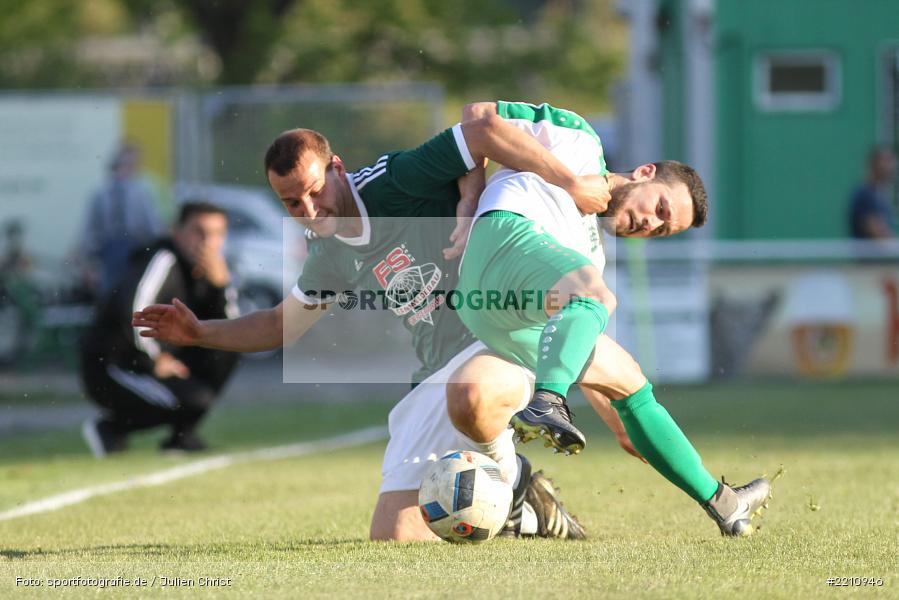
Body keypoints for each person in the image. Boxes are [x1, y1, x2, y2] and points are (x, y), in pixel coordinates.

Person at [133, 110, 615, 541]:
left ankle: (513, 486)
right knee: (396, 536)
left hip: (495, 339)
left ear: (337, 167)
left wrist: (565, 185)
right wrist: (200, 332)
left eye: (315, 190)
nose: (309, 210)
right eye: (292, 203)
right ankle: (526, 505)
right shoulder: (329, 255)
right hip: (436, 370)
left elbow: (484, 130)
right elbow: (283, 325)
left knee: (473, 396)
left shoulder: (395, 180)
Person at [451, 101, 770, 537]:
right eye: (659, 208)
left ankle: (722, 503)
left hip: (503, 318)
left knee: (631, 385)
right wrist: (478, 194)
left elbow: (572, 341)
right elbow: (478, 117)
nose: (650, 224)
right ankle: (546, 403)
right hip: (504, 241)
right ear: (643, 172)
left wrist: (619, 423)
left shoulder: (590, 256)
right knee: (596, 296)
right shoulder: (578, 138)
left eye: (661, 230)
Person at [80, 202, 240, 456]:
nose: (208, 242)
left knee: (227, 354)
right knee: (192, 400)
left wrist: (221, 288)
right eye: (199, 232)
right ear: (177, 232)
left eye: (217, 234)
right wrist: (153, 360)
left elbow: (231, 332)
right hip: (113, 365)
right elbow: (133, 312)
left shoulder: (213, 273)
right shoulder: (163, 259)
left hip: (157, 363)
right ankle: (111, 428)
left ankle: (181, 437)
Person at [78, 142, 164, 297]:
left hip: (134, 246)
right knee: (109, 288)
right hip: (109, 248)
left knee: (132, 288)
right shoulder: (101, 194)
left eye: (129, 165)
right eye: (121, 165)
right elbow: (91, 227)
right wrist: (86, 257)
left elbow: (152, 224)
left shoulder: (141, 193)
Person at [848, 146, 897, 239]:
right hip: (867, 253)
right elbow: (879, 233)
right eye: (887, 160)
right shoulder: (864, 194)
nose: (892, 165)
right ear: (873, 164)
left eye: (892, 160)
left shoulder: (882, 194)